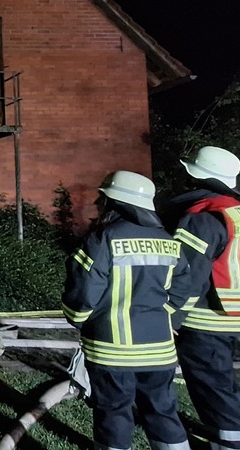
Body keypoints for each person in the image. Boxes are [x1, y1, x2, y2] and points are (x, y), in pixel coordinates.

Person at [62, 171, 192, 450]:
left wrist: (79, 320)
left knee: (114, 414)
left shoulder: (103, 239)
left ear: (115, 203)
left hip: (112, 350)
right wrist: (166, 316)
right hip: (159, 349)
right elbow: (185, 286)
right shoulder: (169, 241)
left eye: (103, 199)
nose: (99, 205)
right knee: (163, 414)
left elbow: (83, 293)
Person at [164, 146, 240, 450]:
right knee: (222, 384)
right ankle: (232, 433)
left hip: (205, 319)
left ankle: (232, 443)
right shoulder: (236, 211)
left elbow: (187, 275)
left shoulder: (202, 217)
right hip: (232, 314)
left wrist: (169, 316)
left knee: (213, 389)